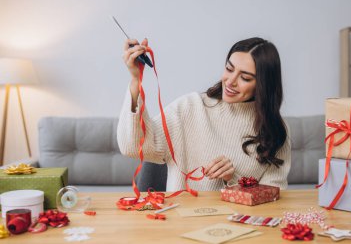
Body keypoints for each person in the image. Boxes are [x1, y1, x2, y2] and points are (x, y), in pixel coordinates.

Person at [117, 37, 291, 192]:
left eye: (245, 78)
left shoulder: (275, 130)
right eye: (229, 69)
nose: (230, 81)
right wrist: (135, 80)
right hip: (183, 222)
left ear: (263, 85)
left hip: (242, 225)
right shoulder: (190, 107)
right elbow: (132, 146)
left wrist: (233, 179)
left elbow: (275, 195)